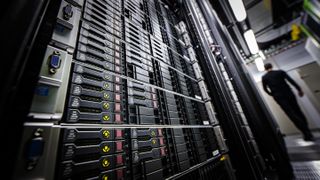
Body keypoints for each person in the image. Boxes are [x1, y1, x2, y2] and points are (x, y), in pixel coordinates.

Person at [262, 63, 314, 141]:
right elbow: (291, 80)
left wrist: (272, 94)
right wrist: (299, 89)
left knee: (291, 114)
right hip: (288, 93)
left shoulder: (264, 77)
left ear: (265, 69)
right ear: (271, 66)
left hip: (279, 97)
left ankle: (305, 132)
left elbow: (265, 89)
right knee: (298, 111)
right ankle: (307, 131)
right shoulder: (280, 72)